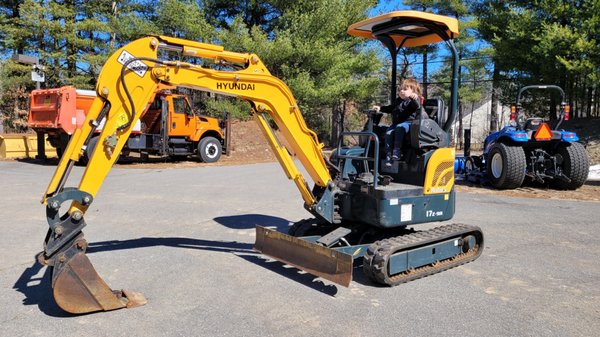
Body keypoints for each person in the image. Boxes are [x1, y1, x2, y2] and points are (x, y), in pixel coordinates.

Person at [373, 78, 422, 166]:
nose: (401, 91)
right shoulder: (398, 101)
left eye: (405, 89)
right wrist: (380, 108)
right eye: (400, 90)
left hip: (408, 123)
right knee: (388, 133)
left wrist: (414, 98)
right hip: (396, 124)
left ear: (413, 91)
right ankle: (388, 154)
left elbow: (416, 105)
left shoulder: (413, 100)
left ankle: (397, 151)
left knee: (400, 128)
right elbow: (390, 108)